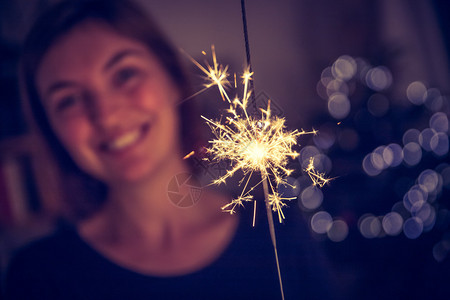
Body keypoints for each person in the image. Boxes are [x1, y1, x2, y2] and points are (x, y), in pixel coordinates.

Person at [3, 0, 335, 299]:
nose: (105, 114)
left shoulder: (277, 233)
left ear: (175, 80)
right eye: (69, 100)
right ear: (52, 130)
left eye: (124, 74)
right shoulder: (38, 277)